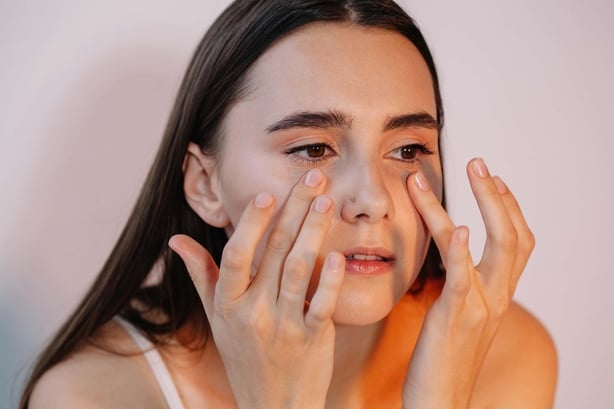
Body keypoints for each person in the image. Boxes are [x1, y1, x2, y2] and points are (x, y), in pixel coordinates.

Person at [19, 0, 557, 408]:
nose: (371, 200)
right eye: (313, 149)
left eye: (408, 149)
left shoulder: (503, 353)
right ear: (205, 185)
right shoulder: (92, 395)